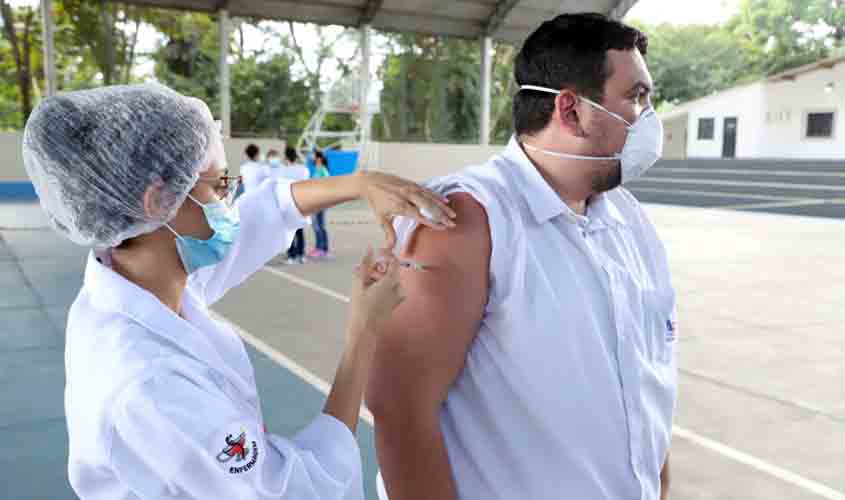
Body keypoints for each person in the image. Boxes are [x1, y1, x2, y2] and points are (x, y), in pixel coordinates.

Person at [21, 83, 456, 500]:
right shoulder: (149, 386)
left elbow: (259, 217)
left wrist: (360, 184)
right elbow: (292, 491)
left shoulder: (138, 274)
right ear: (156, 202)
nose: (227, 204)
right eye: (218, 186)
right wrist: (364, 333)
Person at [366, 13, 675, 500]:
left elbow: (646, 387)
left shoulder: (629, 221)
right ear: (572, 111)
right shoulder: (470, 220)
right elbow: (399, 407)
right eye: (636, 97)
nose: (650, 117)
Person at [278, 147, 310, 264]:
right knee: (299, 230)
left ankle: (291, 255)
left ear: (286, 157)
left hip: (288, 202)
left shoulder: (283, 170)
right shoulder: (303, 170)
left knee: (290, 231)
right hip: (301, 201)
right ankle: (301, 255)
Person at [308, 150, 332, 260]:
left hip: (321, 202)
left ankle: (323, 249)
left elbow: (326, 185)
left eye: (313, 157)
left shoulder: (323, 170)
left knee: (319, 226)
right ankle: (319, 248)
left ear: (319, 159)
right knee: (317, 226)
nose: (312, 159)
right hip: (315, 201)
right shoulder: (317, 170)